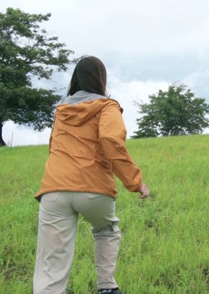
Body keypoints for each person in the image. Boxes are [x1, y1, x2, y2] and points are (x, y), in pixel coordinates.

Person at [33, 56, 150, 294]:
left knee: (51, 261)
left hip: (54, 189)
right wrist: (135, 182)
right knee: (106, 230)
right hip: (94, 189)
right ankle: (107, 286)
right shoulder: (107, 106)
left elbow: (52, 145)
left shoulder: (62, 110)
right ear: (101, 79)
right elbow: (110, 140)